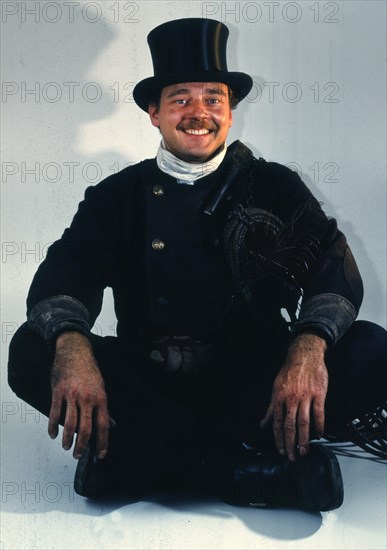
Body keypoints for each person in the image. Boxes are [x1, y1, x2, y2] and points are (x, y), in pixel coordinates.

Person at [8, 18, 387, 511]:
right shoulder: (117, 195)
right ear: (154, 114)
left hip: (259, 387)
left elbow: (331, 266)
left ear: (230, 114)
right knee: (30, 350)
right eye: (181, 98)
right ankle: (242, 470)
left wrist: (307, 350)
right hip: (150, 386)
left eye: (213, 98)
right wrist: (72, 346)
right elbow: (67, 271)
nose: (199, 112)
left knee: (373, 349)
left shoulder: (274, 184)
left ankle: (139, 462)